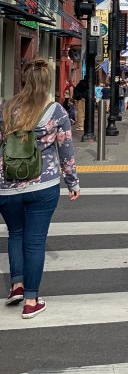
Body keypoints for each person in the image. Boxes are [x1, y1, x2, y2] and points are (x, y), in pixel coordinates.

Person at [0, 58, 80, 319]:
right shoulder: (56, 112)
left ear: (24, 80)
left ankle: (17, 286)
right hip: (42, 184)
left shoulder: (6, 108)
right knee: (34, 241)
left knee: (15, 234)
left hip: (7, 185)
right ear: (47, 83)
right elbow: (66, 150)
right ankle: (31, 300)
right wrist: (72, 182)